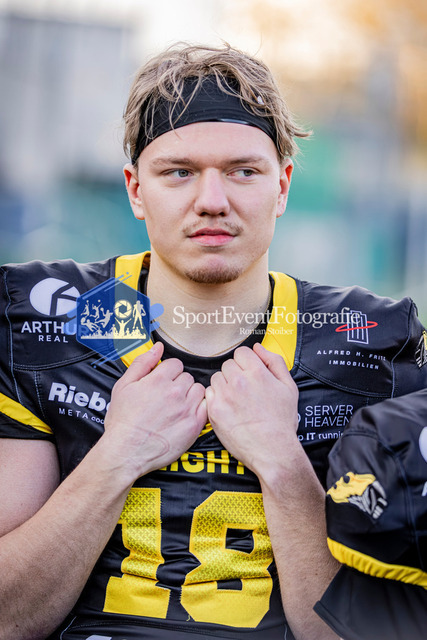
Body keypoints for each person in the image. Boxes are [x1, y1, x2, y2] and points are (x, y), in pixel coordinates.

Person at [0, 43, 426, 640]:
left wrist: (282, 462)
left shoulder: (373, 343)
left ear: (282, 186)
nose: (212, 201)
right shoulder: (47, 318)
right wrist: (118, 455)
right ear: (135, 189)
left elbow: (377, 633)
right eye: (178, 172)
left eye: (243, 171)